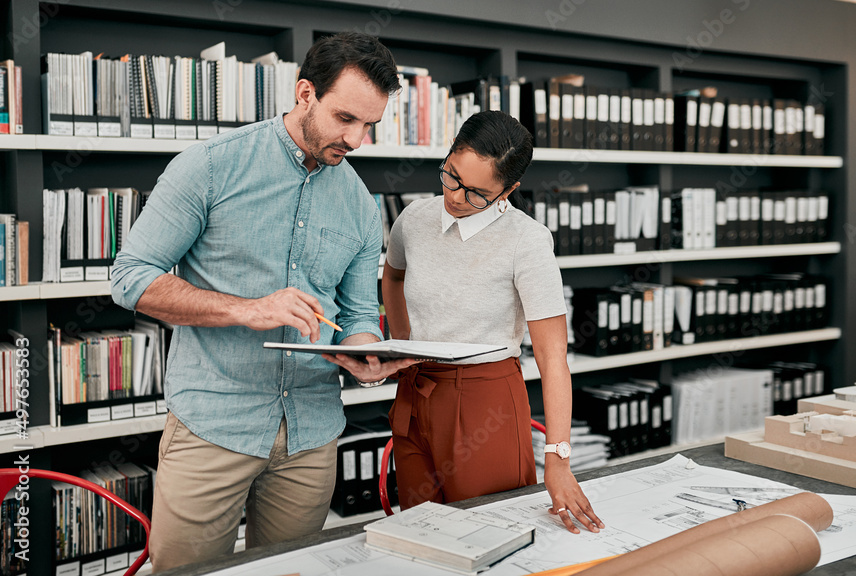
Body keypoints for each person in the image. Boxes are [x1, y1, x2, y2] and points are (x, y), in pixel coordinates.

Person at [110, 32, 415, 571]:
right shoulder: (208, 166)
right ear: (304, 94)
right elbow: (131, 279)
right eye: (346, 118)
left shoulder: (362, 206)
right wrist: (245, 309)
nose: (358, 139)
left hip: (311, 436)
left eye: (370, 124)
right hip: (213, 426)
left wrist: (366, 354)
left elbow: (360, 314)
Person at [371, 110, 603, 533]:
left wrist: (558, 458)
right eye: (451, 176)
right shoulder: (414, 219)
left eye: (478, 193)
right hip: (415, 394)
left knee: (489, 535)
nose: (457, 197)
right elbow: (394, 274)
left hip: (485, 402)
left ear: (508, 190)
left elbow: (554, 360)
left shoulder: (527, 240)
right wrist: (402, 341)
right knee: (420, 538)